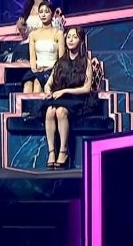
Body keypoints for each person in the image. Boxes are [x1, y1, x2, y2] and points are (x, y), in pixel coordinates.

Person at [41, 27, 95, 169]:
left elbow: (86, 88)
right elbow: (48, 84)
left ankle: (63, 151)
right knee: (50, 111)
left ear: (81, 41)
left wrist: (64, 91)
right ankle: (51, 151)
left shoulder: (86, 62)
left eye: (74, 37)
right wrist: (48, 91)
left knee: (61, 111)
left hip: (77, 98)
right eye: (68, 37)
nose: (70, 40)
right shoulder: (60, 62)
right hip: (61, 97)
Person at [21, 2, 65, 94]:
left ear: (52, 14)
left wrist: (48, 68)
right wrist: (34, 70)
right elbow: (32, 58)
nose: (43, 15)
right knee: (27, 84)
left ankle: (38, 103)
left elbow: (61, 59)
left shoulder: (58, 34)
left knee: (38, 83)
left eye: (46, 12)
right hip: (37, 69)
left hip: (52, 69)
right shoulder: (33, 34)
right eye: (41, 12)